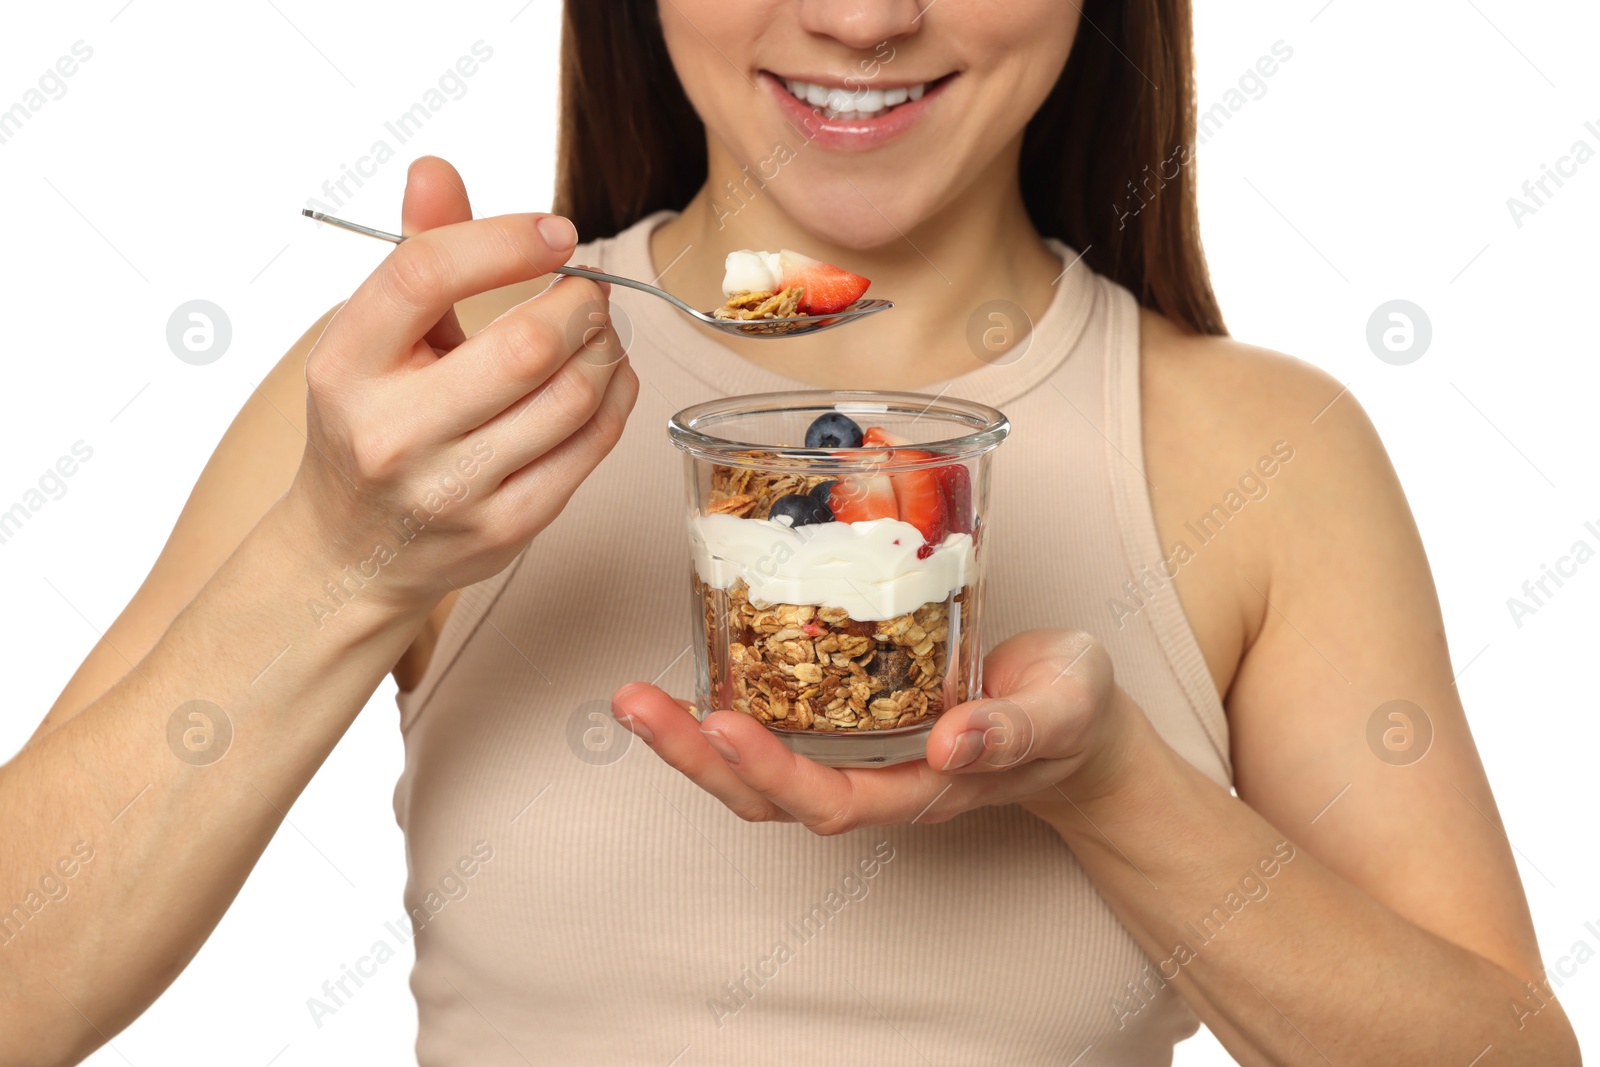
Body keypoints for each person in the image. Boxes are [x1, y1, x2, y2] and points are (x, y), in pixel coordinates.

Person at [1, 1, 1580, 1064]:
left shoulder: (1266, 449)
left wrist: (1115, 791)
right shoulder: (441, 394)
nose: (866, 15)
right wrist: (341, 563)